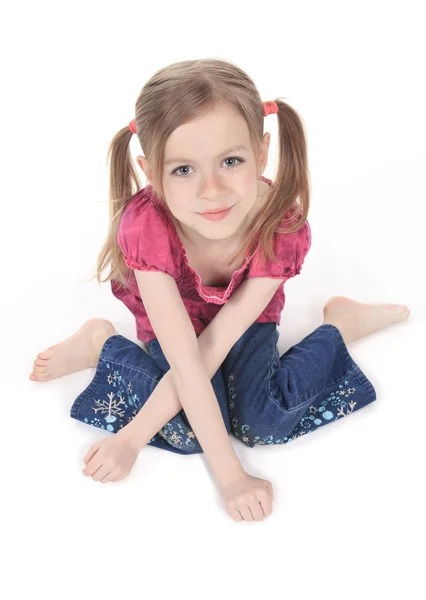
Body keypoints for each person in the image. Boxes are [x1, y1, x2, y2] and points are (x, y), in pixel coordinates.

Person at [29, 58, 410, 522]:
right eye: (184, 170)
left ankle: (340, 325)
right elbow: (190, 361)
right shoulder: (148, 227)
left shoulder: (280, 225)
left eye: (231, 161)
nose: (211, 190)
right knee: (188, 433)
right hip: (177, 324)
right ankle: (100, 343)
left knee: (262, 423)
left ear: (262, 152)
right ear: (150, 171)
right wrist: (144, 443)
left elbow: (218, 343)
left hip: (243, 324)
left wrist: (227, 472)